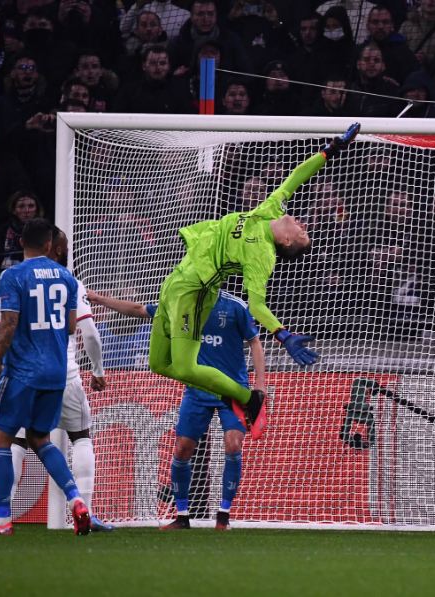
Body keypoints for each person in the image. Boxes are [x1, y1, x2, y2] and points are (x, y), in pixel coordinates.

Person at [148, 123, 360, 440]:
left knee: (186, 368)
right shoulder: (268, 211)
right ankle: (238, 396)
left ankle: (250, 399)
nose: (301, 224)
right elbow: (296, 178)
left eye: (302, 233)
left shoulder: (263, 255)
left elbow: (256, 305)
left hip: (196, 291)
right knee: (159, 365)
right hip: (177, 279)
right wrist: (330, 151)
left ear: (288, 243)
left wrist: (282, 334)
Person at [87, 289, 265, 531]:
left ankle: (223, 516)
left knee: (233, 445)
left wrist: (259, 387)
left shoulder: (235, 306)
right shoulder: (181, 301)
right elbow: (140, 310)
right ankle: (182, 516)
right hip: (197, 390)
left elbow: (254, 341)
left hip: (232, 390)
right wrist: (99, 299)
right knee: (182, 450)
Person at [0, 227, 111, 531]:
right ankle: (79, 502)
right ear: (51, 245)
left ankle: (2, 516)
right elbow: (75, 329)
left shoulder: (13, 276)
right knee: (58, 438)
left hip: (23, 370)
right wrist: (97, 370)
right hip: (60, 371)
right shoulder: (69, 278)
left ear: (19, 242)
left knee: (6, 438)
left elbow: (3, 326)